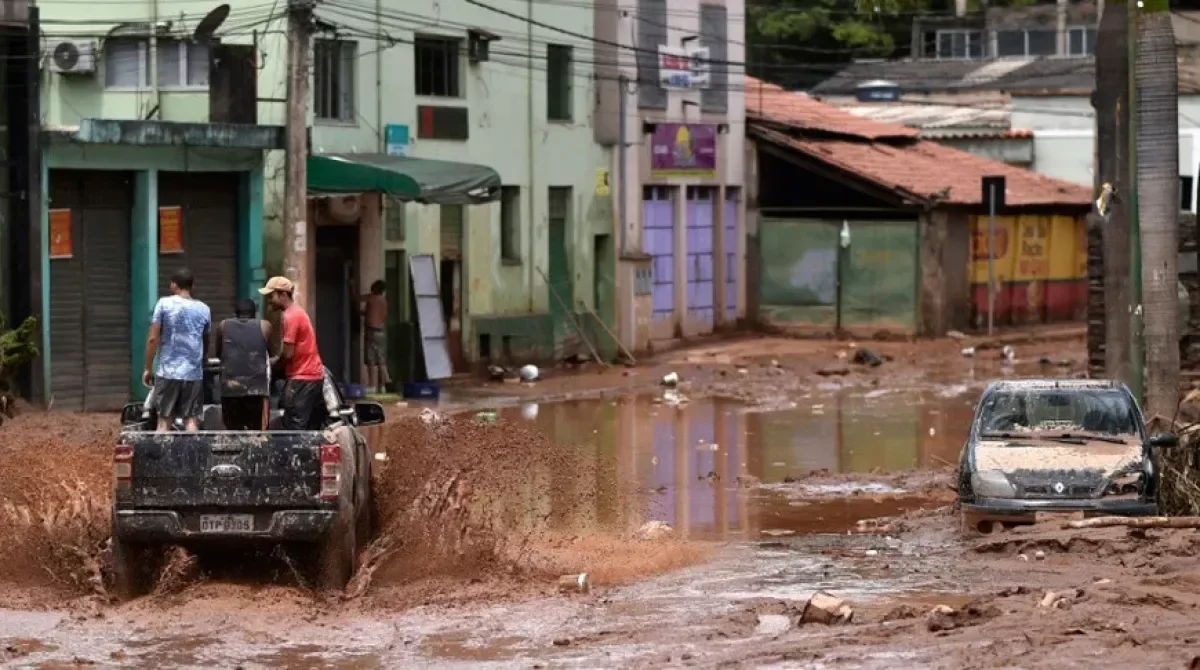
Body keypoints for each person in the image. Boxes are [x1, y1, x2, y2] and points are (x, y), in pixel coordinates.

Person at [143, 268, 211, 432]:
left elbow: (153, 339)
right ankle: (192, 457)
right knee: (192, 421)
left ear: (174, 285)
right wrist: (201, 361)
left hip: (168, 373)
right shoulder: (204, 309)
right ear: (191, 286)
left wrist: (147, 368)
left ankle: (164, 457)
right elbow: (206, 340)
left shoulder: (164, 304)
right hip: (193, 374)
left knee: (164, 421)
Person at [259, 276, 326, 430]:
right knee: (308, 428)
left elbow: (288, 354)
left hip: (302, 379)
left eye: (271, 296)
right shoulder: (296, 313)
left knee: (294, 430)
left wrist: (273, 364)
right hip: (311, 377)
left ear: (283, 295)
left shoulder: (291, 316)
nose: (269, 301)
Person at [215, 298, 273, 430]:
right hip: (256, 391)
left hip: (230, 390)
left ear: (236, 313)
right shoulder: (265, 326)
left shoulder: (223, 325)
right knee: (257, 432)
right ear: (254, 313)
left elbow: (219, 353)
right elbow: (270, 353)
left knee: (233, 432)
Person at [359, 279, 391, 394]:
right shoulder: (384, 301)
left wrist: (352, 286)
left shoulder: (371, 298)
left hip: (371, 332)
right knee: (381, 360)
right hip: (381, 332)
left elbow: (358, 298)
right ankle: (382, 387)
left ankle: (372, 385)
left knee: (371, 360)